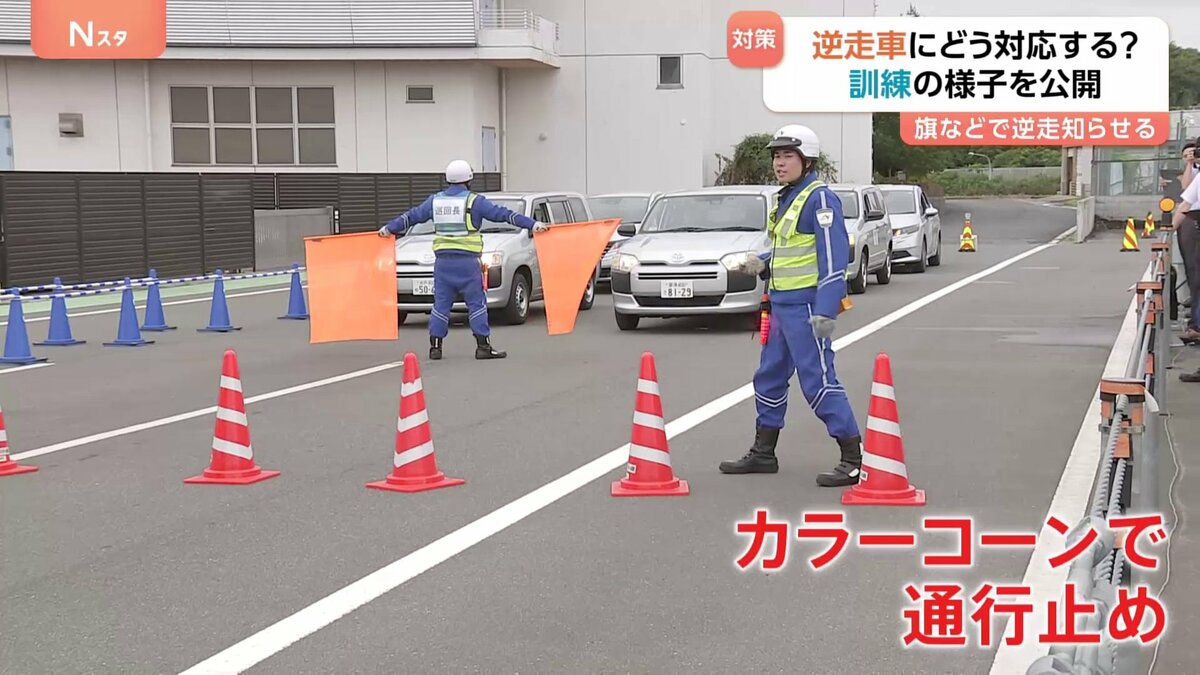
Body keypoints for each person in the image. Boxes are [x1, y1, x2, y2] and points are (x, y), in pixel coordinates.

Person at [717, 124, 863, 487]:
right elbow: (791, 249)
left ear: (806, 160)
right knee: (768, 378)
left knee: (818, 380)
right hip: (780, 305)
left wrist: (827, 313)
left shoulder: (820, 199)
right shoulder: (788, 197)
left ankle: (853, 457)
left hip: (808, 308)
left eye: (787, 156)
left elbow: (832, 260)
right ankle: (764, 452)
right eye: (777, 157)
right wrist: (762, 261)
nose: (779, 163)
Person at [378, 159, 548, 360]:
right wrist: (532, 224)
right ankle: (482, 346)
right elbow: (504, 215)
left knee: (441, 304)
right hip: (467, 263)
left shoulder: (435, 201)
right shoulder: (474, 201)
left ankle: (435, 347)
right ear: (469, 179)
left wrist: (388, 228)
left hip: (442, 263)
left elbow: (411, 216)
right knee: (476, 303)